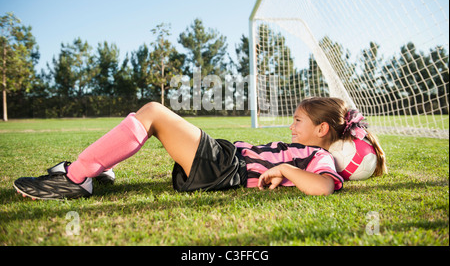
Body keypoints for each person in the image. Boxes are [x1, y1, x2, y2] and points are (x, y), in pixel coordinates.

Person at [13, 97, 386, 200]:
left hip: (226, 169)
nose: (292, 126)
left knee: (154, 113)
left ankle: (77, 178)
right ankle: (94, 170)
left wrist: (286, 170)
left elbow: (323, 186)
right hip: (223, 159)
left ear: (322, 130)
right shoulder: (303, 146)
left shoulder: (319, 157)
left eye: (299, 122)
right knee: (155, 117)